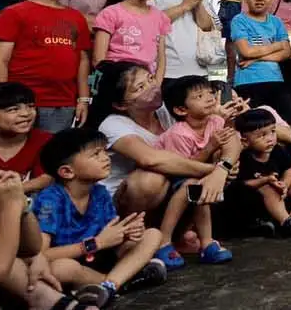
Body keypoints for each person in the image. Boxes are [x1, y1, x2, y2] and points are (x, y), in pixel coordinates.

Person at [0, 113, 103, 310]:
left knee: (0, 242)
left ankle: (39, 303)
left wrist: (21, 206)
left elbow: (28, 247)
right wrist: (9, 208)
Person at [89, 65, 234, 267]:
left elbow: (228, 136)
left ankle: (179, 238)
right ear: (122, 104)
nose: (151, 87)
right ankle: (139, 241)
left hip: (171, 190)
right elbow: (153, 160)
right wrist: (216, 171)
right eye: (140, 87)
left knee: (193, 181)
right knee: (151, 179)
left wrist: (225, 164)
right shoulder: (113, 124)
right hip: (126, 203)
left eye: (150, 78)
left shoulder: (166, 111)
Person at [31, 128, 167, 307]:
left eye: (104, 151)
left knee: (153, 235)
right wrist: (96, 243)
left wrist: (127, 232)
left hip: (102, 258)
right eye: (96, 154)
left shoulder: (100, 192)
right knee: (61, 268)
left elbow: (110, 235)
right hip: (74, 262)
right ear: (67, 172)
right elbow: (41, 254)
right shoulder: (50, 200)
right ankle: (121, 281)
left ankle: (108, 286)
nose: (106, 158)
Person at [0, 0, 92, 133]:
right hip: (21, 104)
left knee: (52, 157)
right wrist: (1, 103)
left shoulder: (76, 17)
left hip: (64, 104)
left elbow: (83, 60)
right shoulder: (13, 13)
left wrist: (83, 99)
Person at [93, 0, 172, 109]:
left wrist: (156, 85)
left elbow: (161, 57)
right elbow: (99, 59)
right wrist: (118, 87)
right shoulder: (111, 13)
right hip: (117, 86)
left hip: (146, 87)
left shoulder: (160, 17)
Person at [230, 0, 291, 121]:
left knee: (288, 123)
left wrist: (256, 58)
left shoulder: (276, 22)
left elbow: (287, 53)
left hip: (276, 80)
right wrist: (277, 45)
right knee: (252, 126)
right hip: (248, 82)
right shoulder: (239, 20)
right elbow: (246, 51)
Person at [0, 82, 53, 192]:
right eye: (13, 109)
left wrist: (6, 194)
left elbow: (46, 178)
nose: (26, 113)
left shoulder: (45, 140)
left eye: (30, 106)